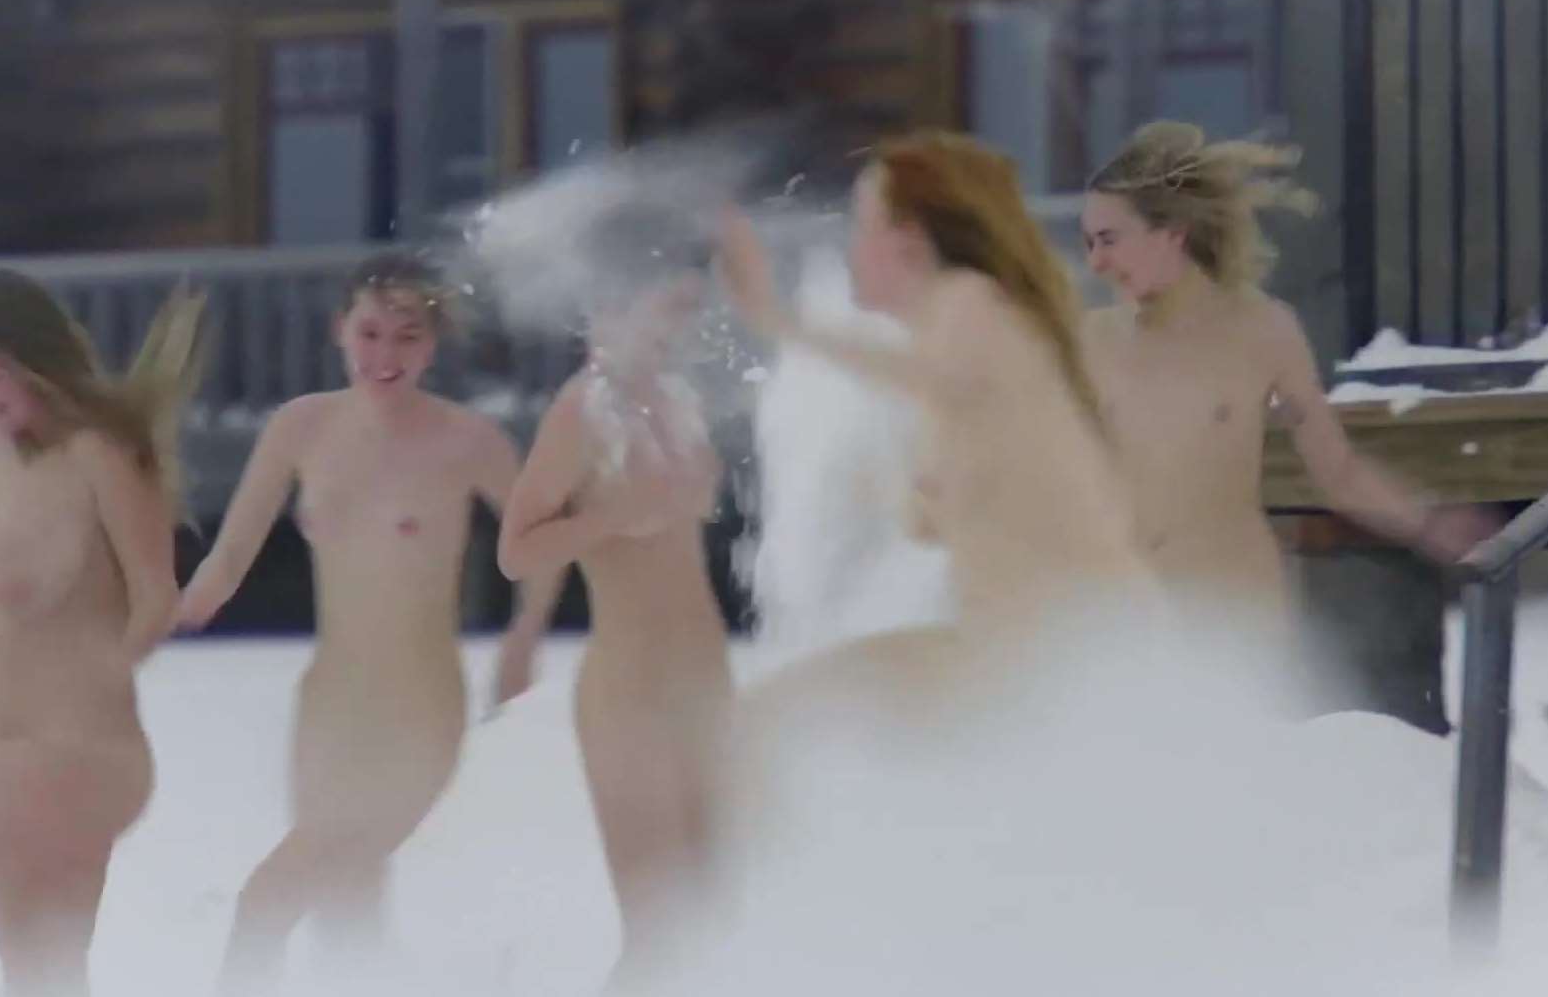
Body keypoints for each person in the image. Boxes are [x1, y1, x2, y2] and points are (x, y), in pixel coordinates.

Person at [175, 252, 560, 991]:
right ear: (340, 330)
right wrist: (176, 606)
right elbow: (229, 556)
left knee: (268, 899)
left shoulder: (469, 441)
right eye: (371, 333)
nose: (386, 355)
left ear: (433, 344)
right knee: (346, 912)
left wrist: (524, 636)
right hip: (329, 706)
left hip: (419, 708)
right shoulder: (300, 427)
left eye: (408, 337)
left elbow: (540, 545)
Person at [720, 130, 1157, 673]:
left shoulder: (969, 301)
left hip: (1085, 645)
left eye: (865, 225)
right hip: (1033, 648)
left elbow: (933, 377)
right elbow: (932, 520)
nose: (851, 248)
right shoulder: (952, 366)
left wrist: (781, 322)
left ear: (910, 241)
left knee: (808, 697)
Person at [1079, 121, 1494, 646]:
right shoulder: (1091, 340)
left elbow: (1337, 472)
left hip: (1237, 616)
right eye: (1089, 243)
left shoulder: (1264, 330)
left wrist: (1428, 523)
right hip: (1127, 618)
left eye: (1109, 240)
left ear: (1172, 233)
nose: (1096, 262)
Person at [0, 271, 205, 997]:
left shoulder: (99, 456)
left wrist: (111, 668)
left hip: (84, 761)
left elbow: (156, 596)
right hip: (21, 763)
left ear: (36, 363)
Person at [496, 204, 732, 987]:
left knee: (712, 923)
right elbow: (515, 548)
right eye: (670, 309)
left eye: (691, 310)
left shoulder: (679, 400)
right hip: (632, 688)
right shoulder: (581, 410)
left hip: (703, 677)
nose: (683, 329)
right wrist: (611, 517)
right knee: (657, 936)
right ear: (614, 302)